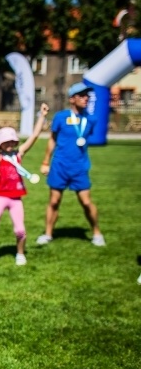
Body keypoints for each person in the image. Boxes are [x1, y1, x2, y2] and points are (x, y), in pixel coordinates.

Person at [0, 105, 48, 265]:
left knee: (20, 230)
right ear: (0, 144)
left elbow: (34, 136)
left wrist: (42, 116)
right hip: (0, 197)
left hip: (16, 199)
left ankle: (20, 254)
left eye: (12, 141)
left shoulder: (19, 155)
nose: (10, 144)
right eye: (6, 142)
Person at [37, 82, 105, 246]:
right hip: (59, 165)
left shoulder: (91, 119)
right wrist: (46, 161)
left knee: (86, 202)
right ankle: (48, 234)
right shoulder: (60, 117)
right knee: (53, 201)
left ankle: (96, 233)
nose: (86, 98)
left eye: (87, 95)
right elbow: (52, 139)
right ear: (72, 99)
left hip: (79, 167)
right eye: (82, 96)